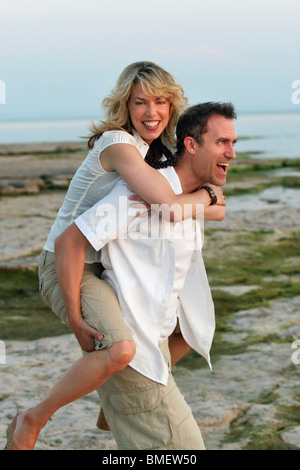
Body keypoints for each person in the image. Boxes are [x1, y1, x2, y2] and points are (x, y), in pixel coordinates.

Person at [4, 61, 225, 450]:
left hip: (99, 263)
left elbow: (216, 205)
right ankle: (32, 418)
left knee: (189, 328)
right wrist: (75, 317)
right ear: (126, 106)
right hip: (65, 263)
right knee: (122, 349)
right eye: (140, 103)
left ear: (172, 106)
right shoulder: (118, 145)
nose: (151, 112)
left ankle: (110, 396)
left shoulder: (155, 152)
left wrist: (206, 196)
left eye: (160, 102)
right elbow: (169, 205)